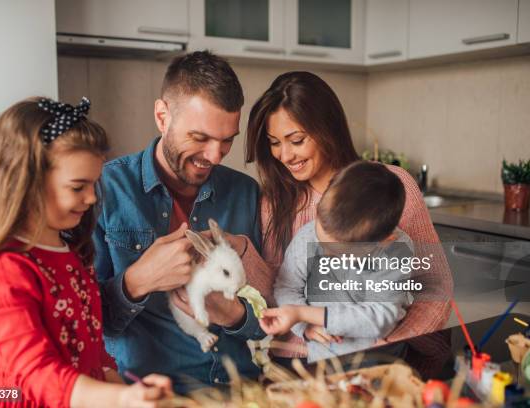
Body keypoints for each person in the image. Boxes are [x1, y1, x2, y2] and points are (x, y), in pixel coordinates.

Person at [0, 97, 172, 407]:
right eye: (77, 186)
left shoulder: (71, 253)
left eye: (94, 184)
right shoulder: (3, 273)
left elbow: (92, 350)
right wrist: (123, 398)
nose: (90, 198)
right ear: (25, 182)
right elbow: (37, 375)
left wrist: (128, 390)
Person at [94, 51, 271, 394]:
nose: (215, 156)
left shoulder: (246, 192)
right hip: (151, 394)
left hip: (240, 392)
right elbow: (83, 324)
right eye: (200, 138)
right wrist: (136, 282)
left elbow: (271, 313)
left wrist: (235, 316)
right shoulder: (104, 190)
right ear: (162, 116)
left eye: (227, 140)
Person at [245, 71, 453, 360]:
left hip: (383, 354)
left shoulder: (391, 187)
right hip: (302, 361)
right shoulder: (275, 203)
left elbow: (434, 287)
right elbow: (278, 288)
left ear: (326, 129)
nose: (285, 156)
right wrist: (305, 328)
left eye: (296, 140)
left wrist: (385, 343)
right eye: (274, 142)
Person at [260, 161, 415, 362]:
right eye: (321, 233)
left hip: (380, 359)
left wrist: (303, 313)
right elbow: (287, 287)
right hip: (323, 361)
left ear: (384, 242)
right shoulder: (308, 236)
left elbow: (380, 318)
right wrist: (303, 326)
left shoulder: (396, 252)